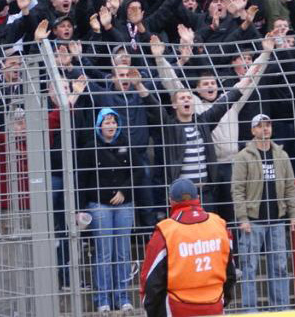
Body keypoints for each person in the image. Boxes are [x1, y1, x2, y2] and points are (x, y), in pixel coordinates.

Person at [77, 108, 142, 313]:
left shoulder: (126, 144)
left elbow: (139, 171)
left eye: (113, 121)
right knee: (104, 253)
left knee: (122, 252)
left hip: (124, 205)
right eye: (107, 121)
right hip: (99, 205)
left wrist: (124, 190)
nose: (111, 125)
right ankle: (102, 299)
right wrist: (79, 208)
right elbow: (81, 179)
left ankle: (122, 297)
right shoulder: (89, 148)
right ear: (99, 125)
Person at [231, 114, 295, 311]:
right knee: (249, 268)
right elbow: (237, 190)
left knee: (279, 267)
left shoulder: (281, 155)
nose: (265, 129)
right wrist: (242, 218)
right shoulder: (243, 157)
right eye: (260, 126)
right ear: (253, 131)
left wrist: (293, 214)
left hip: (277, 219)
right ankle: (250, 311)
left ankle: (281, 310)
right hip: (253, 220)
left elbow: (289, 187)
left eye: (268, 125)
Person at [140, 178, 236, 317]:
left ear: (170, 201)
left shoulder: (166, 231)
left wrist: (153, 311)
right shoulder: (219, 224)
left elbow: (151, 282)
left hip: (178, 307)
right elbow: (230, 272)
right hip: (214, 305)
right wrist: (222, 300)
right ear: (198, 198)